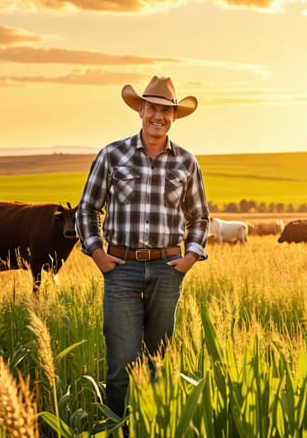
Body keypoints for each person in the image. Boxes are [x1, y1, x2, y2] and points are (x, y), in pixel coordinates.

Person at [75, 75, 210, 418]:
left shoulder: (186, 162)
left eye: (166, 110)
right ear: (140, 110)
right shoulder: (112, 154)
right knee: (121, 365)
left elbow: (199, 216)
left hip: (167, 271)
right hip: (121, 270)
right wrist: (97, 253)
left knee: (157, 365)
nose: (158, 116)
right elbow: (88, 209)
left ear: (174, 116)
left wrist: (190, 257)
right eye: (152, 108)